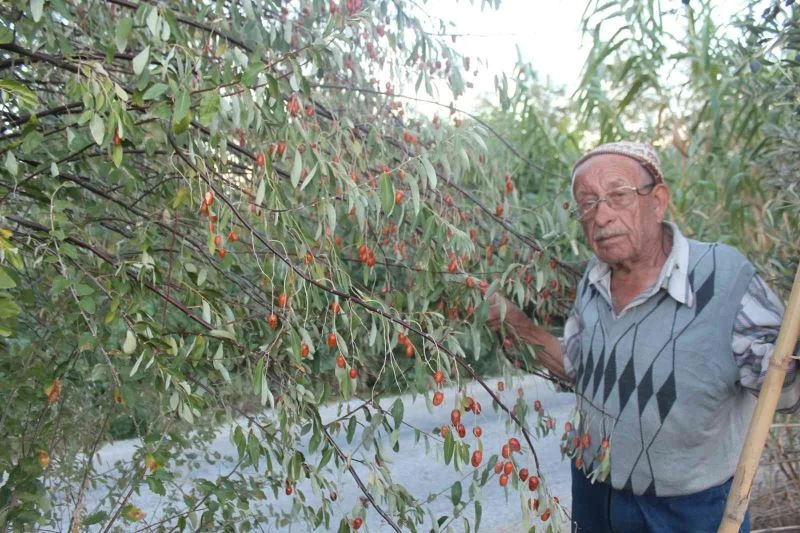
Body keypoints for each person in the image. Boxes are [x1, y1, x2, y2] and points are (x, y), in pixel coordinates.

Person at [487, 141, 800, 533]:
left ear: (658, 201)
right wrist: (514, 322)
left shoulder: (723, 277)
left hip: (687, 510)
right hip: (594, 491)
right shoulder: (593, 279)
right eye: (587, 203)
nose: (601, 216)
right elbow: (578, 367)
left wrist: (786, 366)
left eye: (618, 196)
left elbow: (785, 391)